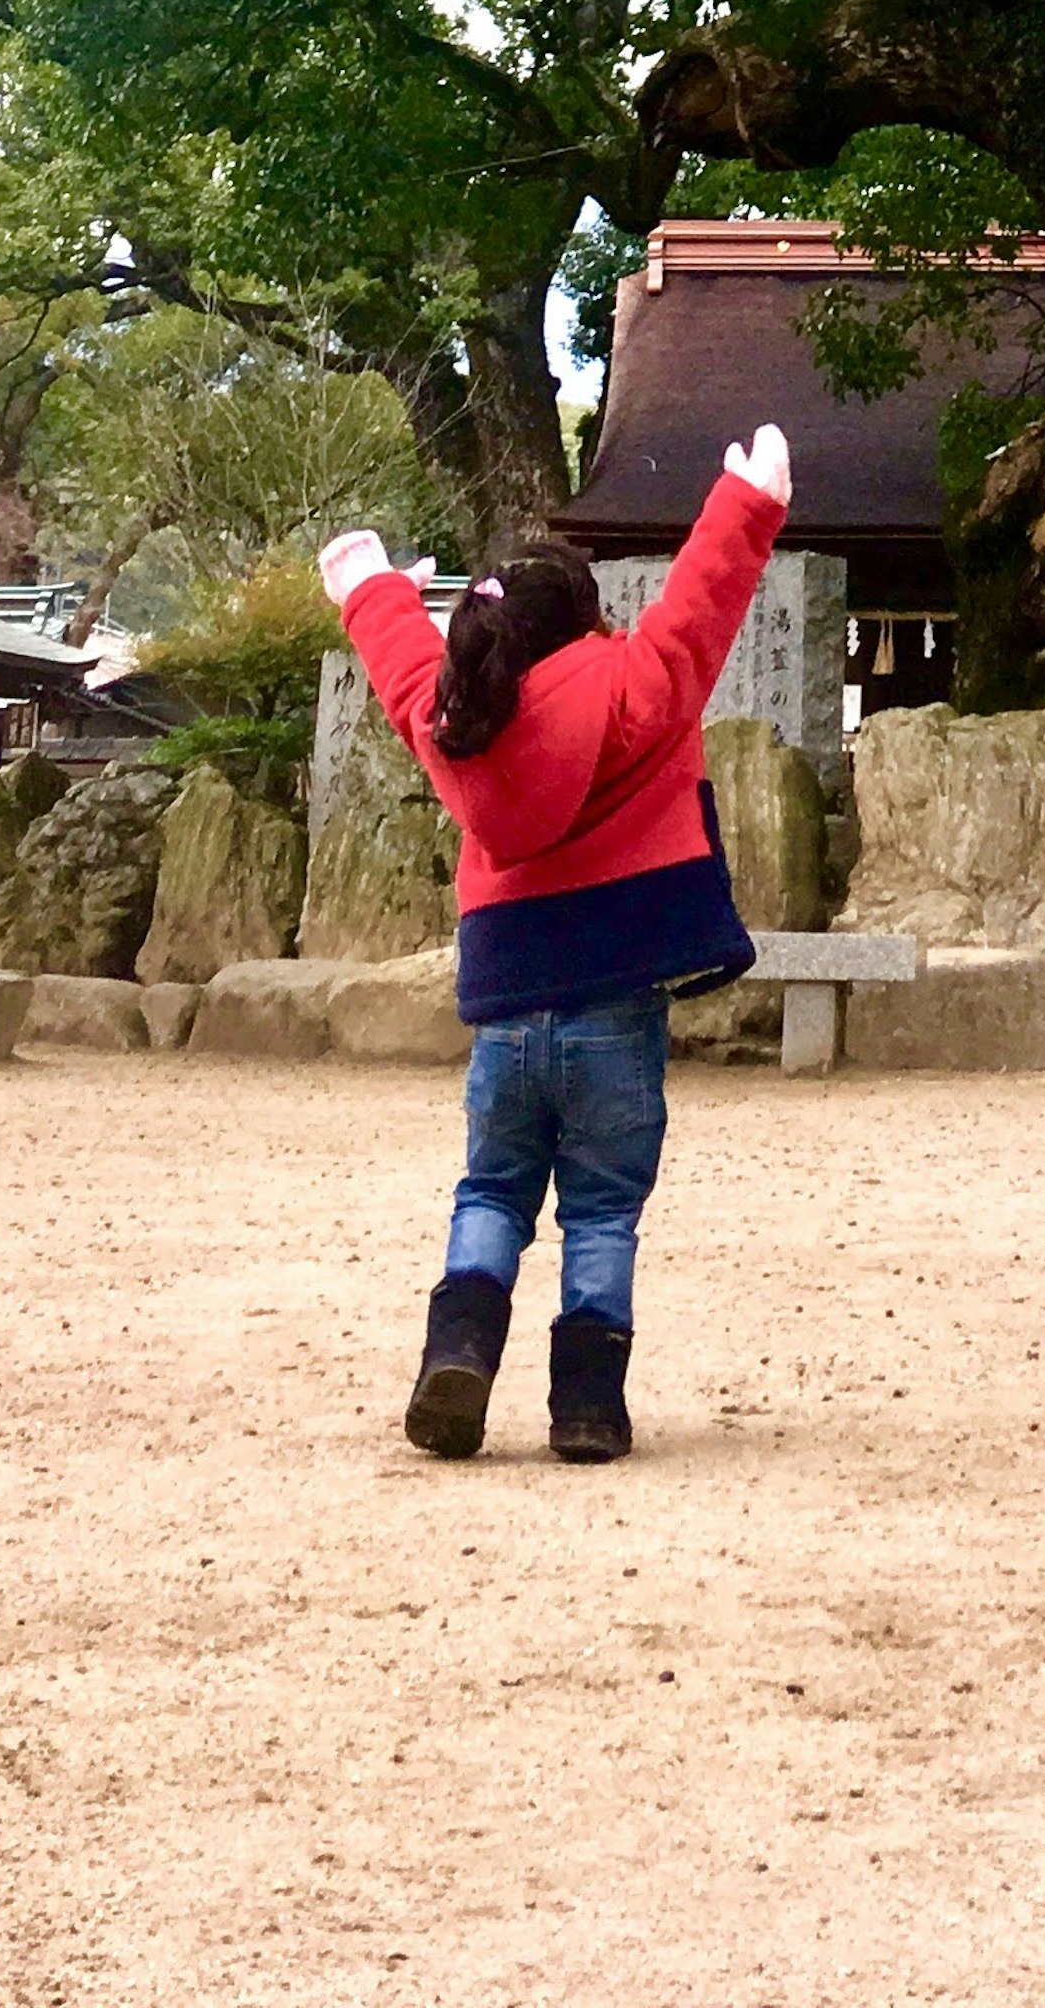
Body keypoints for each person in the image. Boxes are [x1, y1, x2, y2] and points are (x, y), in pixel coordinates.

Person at [320, 421, 792, 1465]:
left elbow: (404, 670)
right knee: (603, 1209)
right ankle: (586, 1407)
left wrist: (368, 584)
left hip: (504, 1012)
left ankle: (459, 1358)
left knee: (491, 1190)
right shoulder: (638, 685)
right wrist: (749, 501)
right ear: (587, 619)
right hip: (616, 1004)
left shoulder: (456, 721)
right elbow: (699, 609)